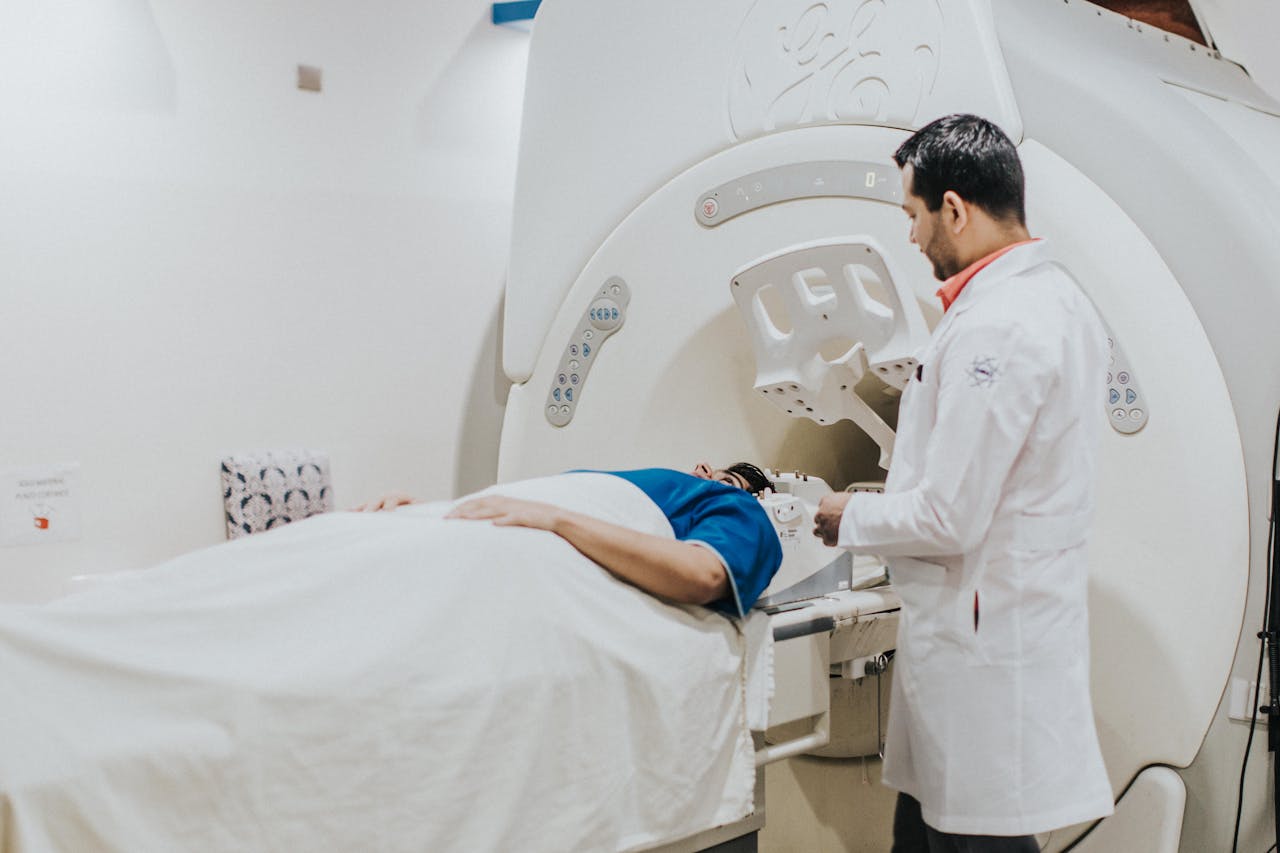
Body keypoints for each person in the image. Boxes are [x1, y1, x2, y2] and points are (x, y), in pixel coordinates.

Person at [812, 115, 1113, 851]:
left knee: (975, 836)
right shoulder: (1052, 301)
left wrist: (844, 515)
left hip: (985, 650)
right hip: (981, 630)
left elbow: (951, 515)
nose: (911, 237)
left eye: (913, 215)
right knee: (924, 833)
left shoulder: (1000, 326)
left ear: (954, 208)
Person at [358, 461, 782, 617]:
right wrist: (428, 510)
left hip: (521, 540)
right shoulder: (618, 483)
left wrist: (557, 518)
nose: (705, 473)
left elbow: (703, 574)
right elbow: (518, 509)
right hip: (453, 521)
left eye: (727, 480)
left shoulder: (742, 509)